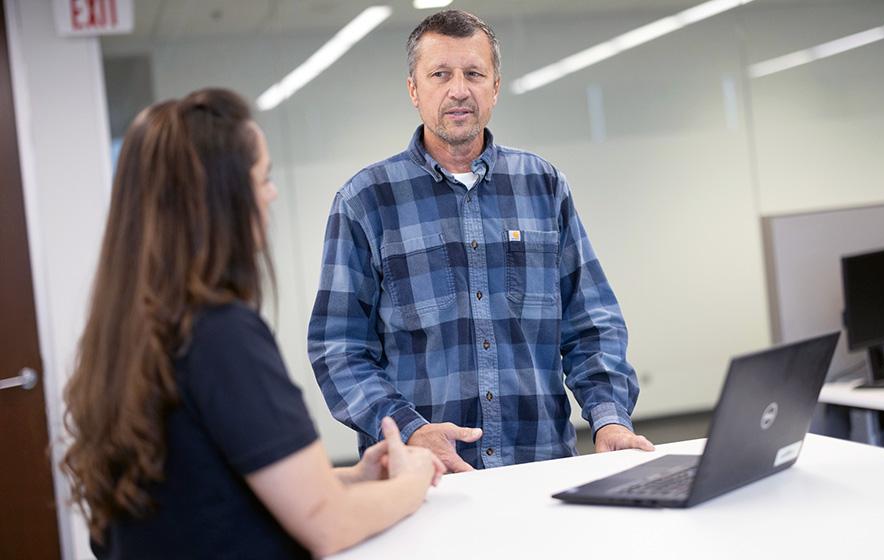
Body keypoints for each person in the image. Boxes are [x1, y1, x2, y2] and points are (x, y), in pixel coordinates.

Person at [61, 88, 444, 559]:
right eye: (262, 178)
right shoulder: (220, 335)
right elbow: (329, 526)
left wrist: (353, 477)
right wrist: (412, 482)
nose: (272, 193)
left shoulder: (131, 331)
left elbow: (208, 494)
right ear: (222, 201)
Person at [308, 10, 654, 474]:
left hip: (539, 468)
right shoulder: (366, 201)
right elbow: (339, 348)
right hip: (422, 480)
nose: (458, 89)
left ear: (494, 86)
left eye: (474, 74)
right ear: (413, 89)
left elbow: (590, 323)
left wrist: (609, 419)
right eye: (440, 74)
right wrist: (409, 429)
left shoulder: (543, 186)